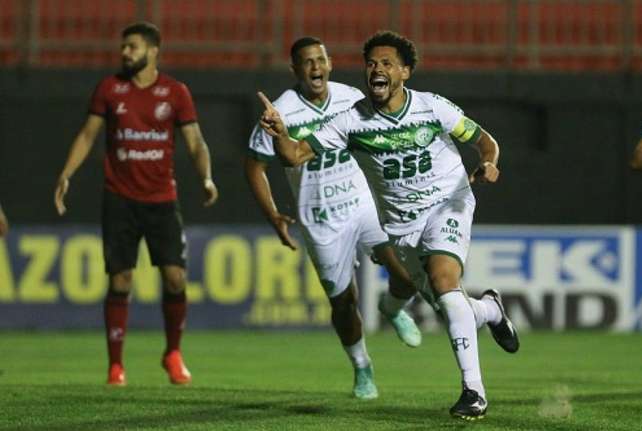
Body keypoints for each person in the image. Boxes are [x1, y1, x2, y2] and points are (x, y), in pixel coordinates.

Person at [258, 31, 519, 420]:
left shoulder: (433, 108)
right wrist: (281, 134)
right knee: (451, 307)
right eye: (371, 63)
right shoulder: (351, 121)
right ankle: (490, 310)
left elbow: (485, 141)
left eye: (386, 63)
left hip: (448, 203)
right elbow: (295, 156)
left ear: (405, 72)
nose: (376, 69)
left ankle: (474, 392)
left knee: (446, 282)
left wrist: (489, 162)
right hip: (401, 228)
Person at [246, 37, 422, 400]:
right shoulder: (281, 111)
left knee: (408, 277)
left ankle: (391, 308)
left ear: (329, 65)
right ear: (295, 69)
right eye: (306, 62)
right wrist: (273, 214)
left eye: (320, 60)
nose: (315, 67)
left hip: (364, 202)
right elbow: (254, 166)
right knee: (343, 302)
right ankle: (362, 368)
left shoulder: (350, 97)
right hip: (321, 216)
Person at [54, 22, 218, 386]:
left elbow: (195, 142)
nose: (125, 53)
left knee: (175, 278)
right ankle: (116, 364)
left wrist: (206, 177)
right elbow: (87, 135)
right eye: (123, 48)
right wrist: (67, 173)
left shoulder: (175, 92)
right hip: (119, 199)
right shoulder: (110, 89)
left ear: (153, 50)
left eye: (132, 46)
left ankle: (173, 353)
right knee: (121, 279)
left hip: (162, 199)